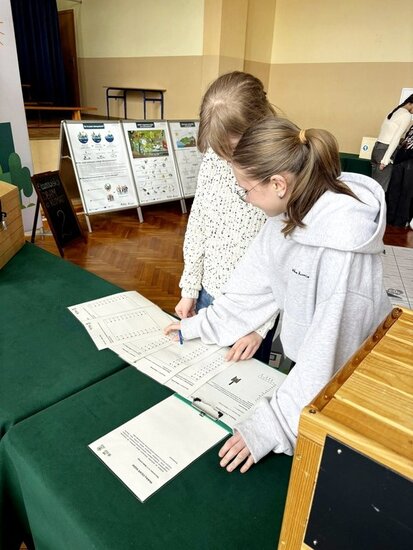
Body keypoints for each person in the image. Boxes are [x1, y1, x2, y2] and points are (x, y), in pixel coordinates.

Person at [166, 117, 391, 473]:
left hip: (354, 379)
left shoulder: (342, 246)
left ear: (278, 184)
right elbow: (248, 293)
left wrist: (273, 425)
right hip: (313, 368)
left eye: (246, 189)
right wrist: (196, 326)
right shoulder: (284, 216)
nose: (246, 199)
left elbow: (329, 354)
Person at [175, 71, 278, 363]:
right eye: (220, 151)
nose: (227, 160)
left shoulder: (279, 168)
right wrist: (190, 288)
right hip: (209, 293)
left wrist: (260, 327)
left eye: (232, 151)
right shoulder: (214, 157)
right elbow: (199, 223)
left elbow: (285, 260)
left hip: (252, 311)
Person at [371, 94, 413, 191]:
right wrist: (385, 160)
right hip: (386, 151)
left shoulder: (394, 111)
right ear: (411, 103)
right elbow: (396, 138)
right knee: (380, 188)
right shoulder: (406, 115)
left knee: (373, 184)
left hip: (377, 148)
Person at [386, 124, 413, 227]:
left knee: (406, 192)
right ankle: (390, 217)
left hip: (410, 161)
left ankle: (400, 220)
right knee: (394, 189)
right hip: (400, 159)